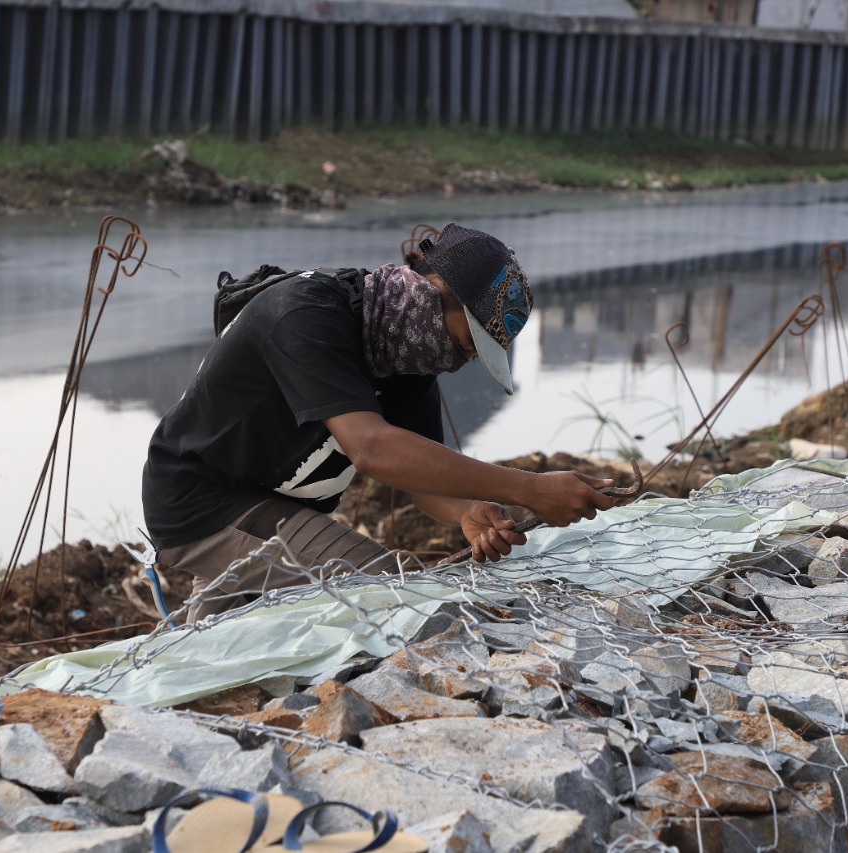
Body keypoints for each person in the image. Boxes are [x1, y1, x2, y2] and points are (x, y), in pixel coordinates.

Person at [142, 223, 619, 622]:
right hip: (202, 504)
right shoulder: (305, 314)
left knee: (215, 646)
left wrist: (468, 509)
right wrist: (531, 490)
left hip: (269, 506)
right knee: (391, 593)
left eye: (474, 353)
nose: (461, 359)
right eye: (469, 341)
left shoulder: (402, 352)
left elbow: (419, 478)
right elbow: (373, 450)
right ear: (437, 291)